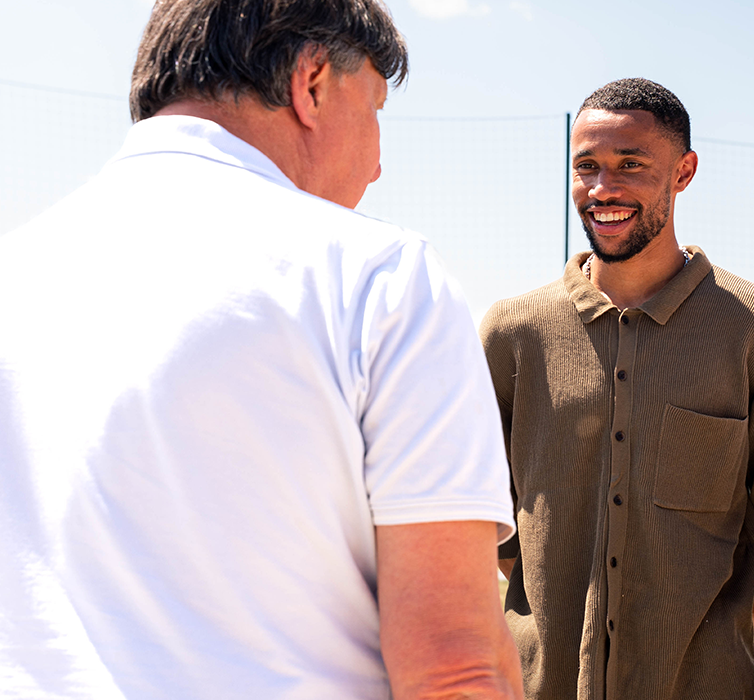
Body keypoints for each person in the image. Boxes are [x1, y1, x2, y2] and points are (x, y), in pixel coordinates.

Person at [0, 1, 522, 698]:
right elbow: (456, 669)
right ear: (311, 84)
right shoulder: (379, 277)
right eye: (373, 111)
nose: (375, 164)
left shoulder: (17, 270)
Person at [479, 77, 754, 699]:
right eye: (587, 167)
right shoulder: (513, 332)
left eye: (630, 165)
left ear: (684, 171)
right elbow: (491, 527)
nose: (603, 189)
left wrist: (685, 645)